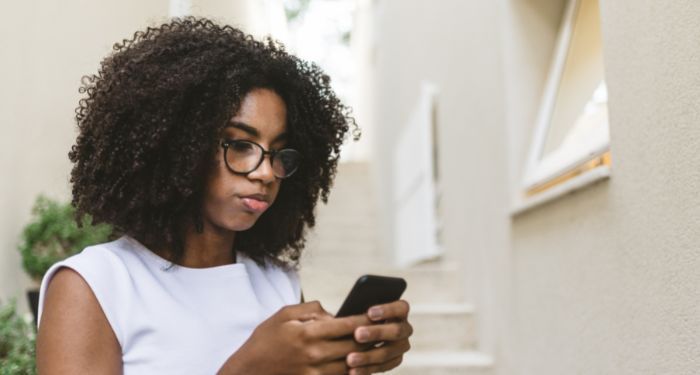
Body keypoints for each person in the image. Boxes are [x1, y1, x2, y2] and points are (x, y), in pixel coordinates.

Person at [36, 17, 412, 374]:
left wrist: (349, 358)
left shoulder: (277, 282)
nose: (266, 172)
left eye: (278, 152)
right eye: (239, 144)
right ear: (179, 146)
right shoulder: (94, 284)